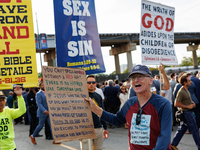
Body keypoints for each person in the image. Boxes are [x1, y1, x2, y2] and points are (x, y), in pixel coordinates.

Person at [84, 64, 172, 150]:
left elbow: (164, 137)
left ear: (150, 80)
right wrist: (94, 108)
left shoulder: (163, 104)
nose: (136, 80)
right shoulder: (130, 103)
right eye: (133, 77)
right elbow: (116, 120)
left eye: (140, 76)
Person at [171, 74, 200, 150]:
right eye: (189, 80)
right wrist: (188, 106)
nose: (191, 81)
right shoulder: (181, 91)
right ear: (184, 82)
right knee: (195, 130)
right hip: (186, 113)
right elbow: (176, 103)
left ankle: (173, 144)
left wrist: (192, 103)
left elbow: (186, 100)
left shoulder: (186, 89)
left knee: (182, 129)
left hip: (188, 112)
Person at [80, 75, 109, 150]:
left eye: (93, 82)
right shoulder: (80, 96)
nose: (91, 84)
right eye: (89, 82)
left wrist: (105, 128)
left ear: (96, 84)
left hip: (98, 128)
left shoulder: (98, 96)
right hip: (85, 129)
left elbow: (102, 112)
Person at [0, 86, 26, 150]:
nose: (1, 102)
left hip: (10, 147)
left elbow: (22, 111)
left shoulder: (8, 111)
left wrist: (19, 96)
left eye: (3, 100)